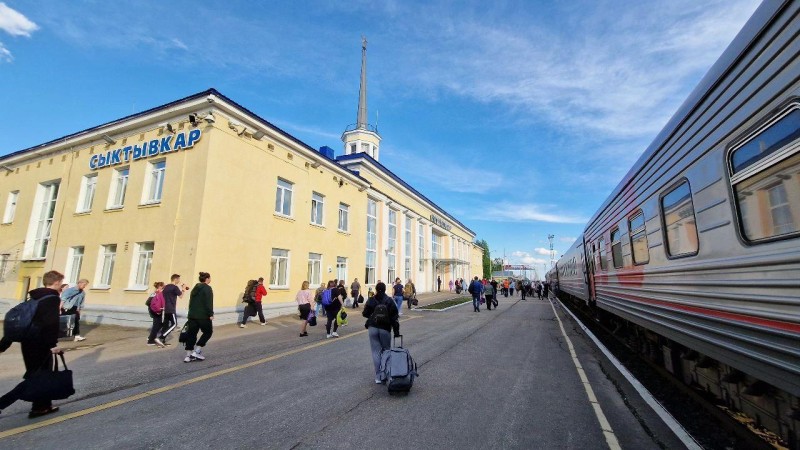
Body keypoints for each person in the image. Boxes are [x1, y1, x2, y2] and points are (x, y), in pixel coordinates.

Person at [0, 270, 64, 418]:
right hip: (40, 344)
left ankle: (42, 407)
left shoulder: (35, 297)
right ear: (56, 283)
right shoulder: (52, 299)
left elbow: (23, 321)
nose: (61, 286)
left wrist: (4, 344)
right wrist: (52, 345)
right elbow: (50, 324)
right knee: (35, 378)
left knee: (43, 377)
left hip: (28, 344)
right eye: (61, 283)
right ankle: (2, 403)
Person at [362, 282, 400, 384]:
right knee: (386, 350)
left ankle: (378, 376)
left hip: (372, 327)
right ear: (384, 289)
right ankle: (386, 374)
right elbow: (394, 317)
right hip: (385, 328)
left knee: (376, 352)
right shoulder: (389, 301)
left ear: (376, 289)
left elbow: (365, 313)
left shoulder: (371, 300)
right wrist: (396, 331)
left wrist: (374, 314)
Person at [183, 272, 214, 363]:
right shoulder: (207, 288)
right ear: (207, 279)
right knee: (208, 332)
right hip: (203, 315)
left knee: (191, 334)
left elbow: (191, 302)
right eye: (210, 278)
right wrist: (211, 314)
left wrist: (190, 312)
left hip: (192, 315)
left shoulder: (195, 288)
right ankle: (197, 351)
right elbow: (209, 302)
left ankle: (188, 356)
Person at [161, 274, 187, 344]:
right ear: (175, 279)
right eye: (178, 279)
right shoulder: (174, 287)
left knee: (165, 325)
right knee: (174, 324)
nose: (179, 281)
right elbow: (181, 296)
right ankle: (162, 336)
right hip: (171, 309)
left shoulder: (166, 287)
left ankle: (162, 341)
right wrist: (183, 289)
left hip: (165, 308)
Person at [147, 282, 166, 347]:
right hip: (155, 311)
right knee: (156, 325)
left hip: (158, 310)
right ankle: (150, 341)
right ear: (160, 286)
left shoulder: (159, 293)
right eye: (163, 286)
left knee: (159, 324)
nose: (164, 287)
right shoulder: (155, 293)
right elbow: (148, 302)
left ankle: (150, 337)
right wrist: (155, 309)